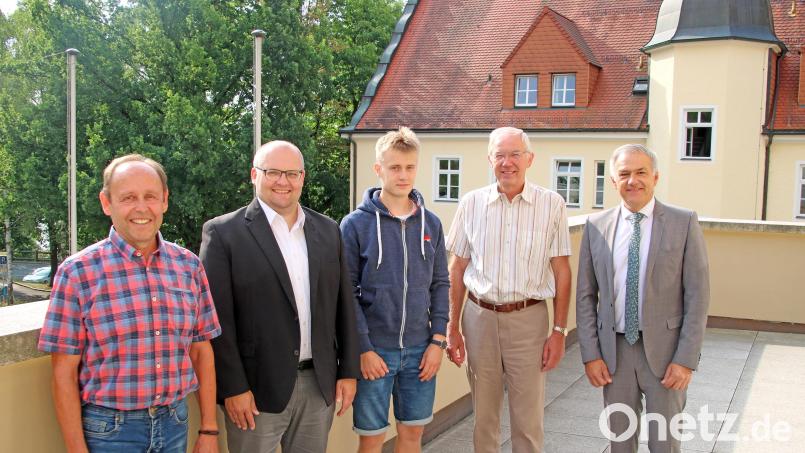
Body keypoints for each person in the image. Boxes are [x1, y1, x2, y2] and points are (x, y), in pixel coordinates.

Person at [38, 154, 221, 453]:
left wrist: (209, 430)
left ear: (164, 200)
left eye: (150, 196)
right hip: (110, 432)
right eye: (128, 197)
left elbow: (201, 351)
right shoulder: (77, 272)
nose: (141, 207)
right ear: (106, 203)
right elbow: (63, 373)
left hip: (175, 423)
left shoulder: (189, 266)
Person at [199, 140, 360, 453]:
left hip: (318, 385)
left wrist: (348, 372)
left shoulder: (328, 231)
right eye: (272, 172)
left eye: (292, 173)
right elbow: (216, 321)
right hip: (255, 392)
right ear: (254, 175)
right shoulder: (223, 234)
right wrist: (233, 388)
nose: (283, 182)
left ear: (303, 177)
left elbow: (344, 306)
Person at [576, 144, 710, 453]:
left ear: (656, 177)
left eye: (641, 173)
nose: (632, 181)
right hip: (614, 354)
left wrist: (685, 359)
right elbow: (585, 296)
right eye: (624, 174)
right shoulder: (596, 227)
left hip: (667, 355)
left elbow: (698, 295)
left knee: (665, 444)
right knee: (620, 443)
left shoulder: (683, 223)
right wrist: (591, 354)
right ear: (613, 181)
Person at [445, 126, 572, 453]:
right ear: (490, 159)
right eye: (500, 155)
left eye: (515, 154)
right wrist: (452, 327)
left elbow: (561, 270)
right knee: (483, 419)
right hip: (478, 318)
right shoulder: (471, 203)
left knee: (528, 421)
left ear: (529, 159)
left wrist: (559, 330)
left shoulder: (552, 205)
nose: (507, 162)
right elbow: (457, 268)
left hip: (528, 320)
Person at [340, 127, 450, 452]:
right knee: (372, 439)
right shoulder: (355, 225)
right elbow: (346, 293)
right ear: (379, 169)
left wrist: (438, 341)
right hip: (376, 352)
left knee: (412, 435)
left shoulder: (431, 224)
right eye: (395, 167)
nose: (403, 175)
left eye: (410, 167)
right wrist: (363, 348)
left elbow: (440, 283)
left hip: (420, 351)